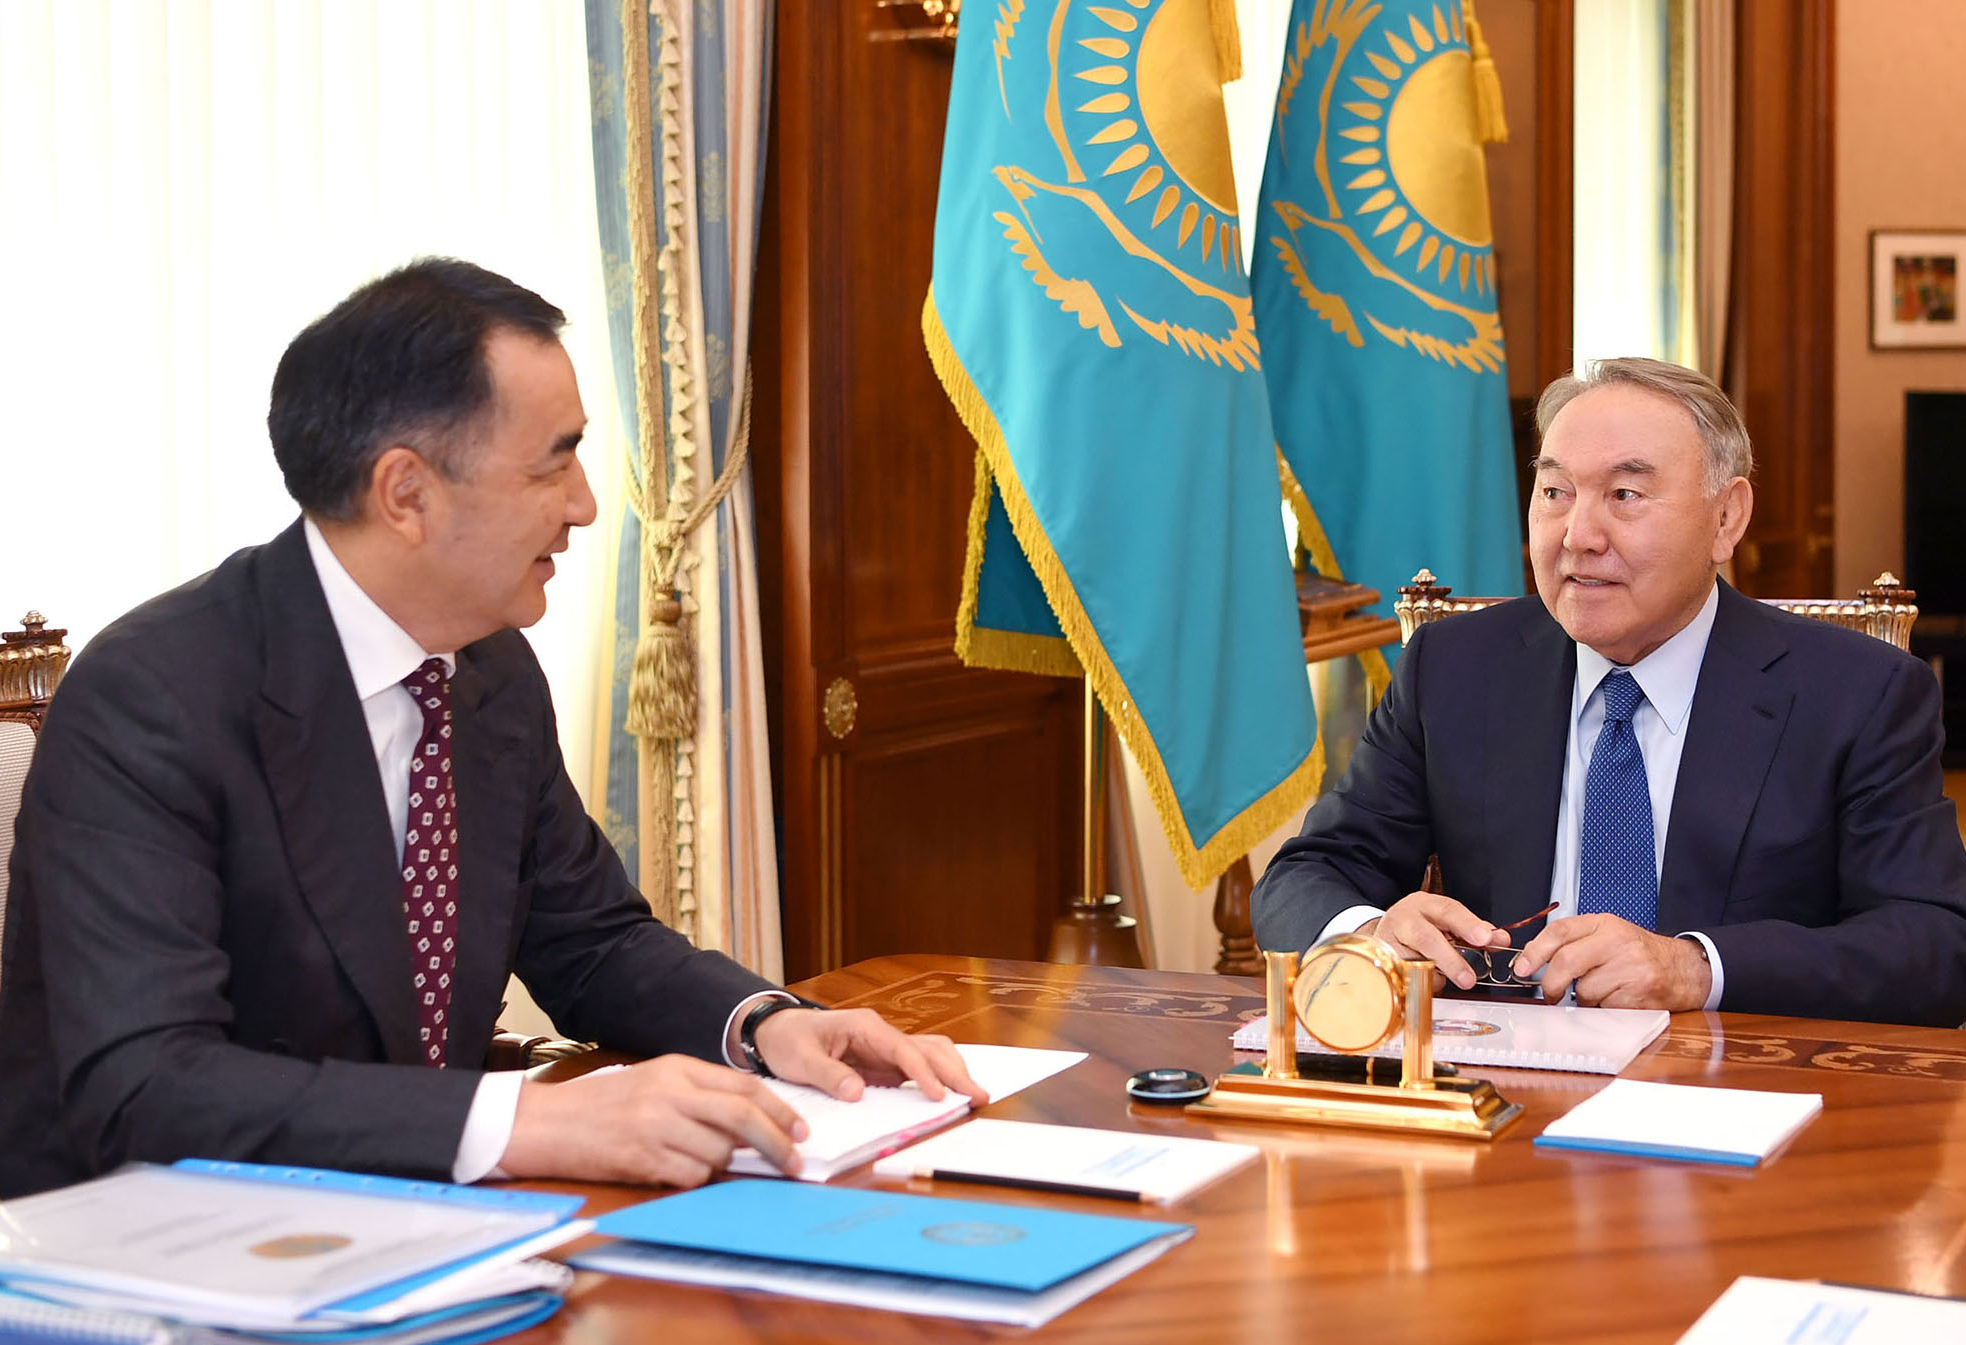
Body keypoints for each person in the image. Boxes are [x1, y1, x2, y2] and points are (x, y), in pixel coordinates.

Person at [0, 259, 982, 1199]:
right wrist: (523, 1122)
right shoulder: (153, 696)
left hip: (423, 1226)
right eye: (554, 466)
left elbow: (590, 941)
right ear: (407, 494)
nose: (586, 505)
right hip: (145, 1248)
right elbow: (147, 1085)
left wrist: (762, 1024)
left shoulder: (486, 667)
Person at [1252, 357, 1966, 1027]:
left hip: (1734, 1085)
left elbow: (1935, 944)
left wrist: (1698, 969)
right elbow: (1306, 875)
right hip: (1502, 1081)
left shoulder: (1857, 693)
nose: (1578, 535)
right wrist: (1374, 933)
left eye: (1624, 495)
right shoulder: (1453, 667)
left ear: (1726, 518)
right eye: (1555, 492)